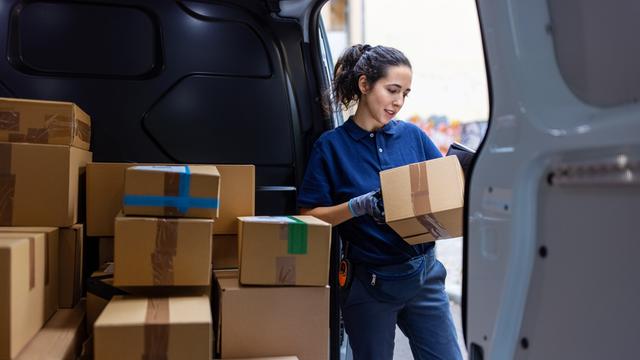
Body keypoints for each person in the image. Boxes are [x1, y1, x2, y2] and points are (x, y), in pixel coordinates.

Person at [297, 44, 463, 360]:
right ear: (364, 84)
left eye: (406, 94)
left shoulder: (413, 137)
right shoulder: (331, 147)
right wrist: (357, 206)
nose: (398, 102)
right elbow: (309, 215)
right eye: (392, 90)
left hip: (424, 277)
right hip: (370, 286)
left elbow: (442, 190)